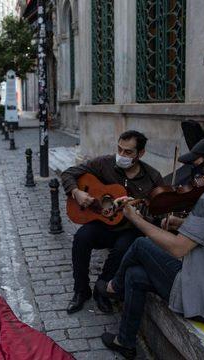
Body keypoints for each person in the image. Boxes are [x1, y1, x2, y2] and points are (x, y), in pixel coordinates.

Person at [97, 136, 204, 359]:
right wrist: (181, 223)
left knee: (141, 244)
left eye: (196, 164)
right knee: (136, 275)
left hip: (200, 300)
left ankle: (112, 288)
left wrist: (136, 219)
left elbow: (178, 249)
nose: (193, 170)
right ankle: (125, 341)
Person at [60, 130, 164, 314]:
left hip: (129, 227)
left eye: (128, 152)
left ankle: (103, 290)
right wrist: (77, 193)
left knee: (123, 246)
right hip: (103, 223)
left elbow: (156, 216)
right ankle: (81, 290)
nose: (121, 155)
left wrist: (140, 216)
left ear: (140, 154)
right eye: (119, 149)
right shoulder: (104, 163)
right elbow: (69, 174)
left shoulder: (152, 178)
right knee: (81, 238)